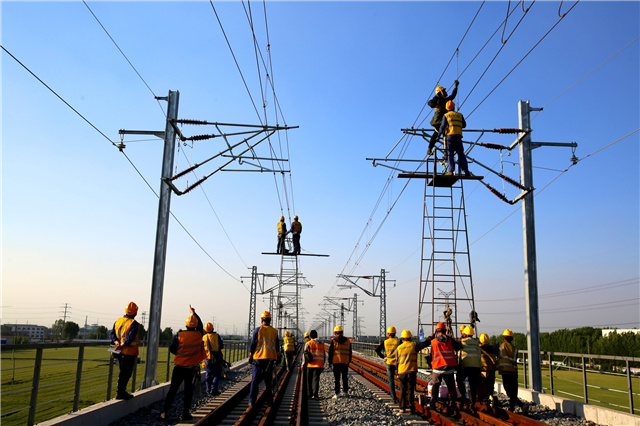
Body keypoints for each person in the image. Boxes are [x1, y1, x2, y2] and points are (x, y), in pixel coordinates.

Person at [160, 305, 206, 421]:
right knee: (188, 392)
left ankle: (164, 412)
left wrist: (181, 356)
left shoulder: (180, 336)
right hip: (191, 369)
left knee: (173, 390)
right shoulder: (199, 335)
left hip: (179, 368)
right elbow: (200, 325)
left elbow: (172, 349)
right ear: (195, 326)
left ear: (186, 325)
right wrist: (194, 313)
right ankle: (185, 413)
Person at [427, 322, 463, 409]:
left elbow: (430, 352)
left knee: (435, 386)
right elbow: (459, 347)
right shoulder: (450, 340)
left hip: (437, 368)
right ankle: (453, 403)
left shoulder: (433, 341)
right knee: (451, 386)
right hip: (449, 367)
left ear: (436, 331)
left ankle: (432, 403)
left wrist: (430, 337)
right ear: (445, 330)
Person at [109, 301, 140, 400]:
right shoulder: (134, 324)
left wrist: (116, 342)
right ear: (135, 313)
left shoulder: (118, 321)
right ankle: (120, 392)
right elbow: (130, 338)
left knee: (123, 372)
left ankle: (120, 391)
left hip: (118, 352)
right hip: (129, 353)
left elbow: (112, 334)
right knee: (126, 373)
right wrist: (121, 345)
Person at [248, 311, 280, 406]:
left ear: (262, 320)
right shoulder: (274, 331)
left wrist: (251, 354)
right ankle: (270, 401)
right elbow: (277, 346)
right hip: (269, 358)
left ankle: (252, 401)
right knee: (268, 381)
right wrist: (276, 356)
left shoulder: (257, 330)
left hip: (258, 358)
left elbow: (253, 344)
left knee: (255, 380)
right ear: (270, 320)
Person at [395, 329, 430, 413]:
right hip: (411, 371)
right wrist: (430, 338)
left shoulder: (399, 348)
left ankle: (402, 408)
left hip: (402, 371)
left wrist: (397, 372)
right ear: (410, 337)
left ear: (403, 338)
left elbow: (396, 361)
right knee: (410, 389)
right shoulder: (414, 345)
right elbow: (424, 344)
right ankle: (411, 408)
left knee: (402, 389)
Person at [497, 329, 529, 414]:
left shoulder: (501, 345)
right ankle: (516, 407)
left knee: (508, 390)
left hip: (505, 371)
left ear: (503, 338)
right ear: (512, 338)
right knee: (513, 391)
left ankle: (518, 406)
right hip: (514, 371)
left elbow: (490, 348)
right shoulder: (515, 349)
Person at [427, 80, 459, 155]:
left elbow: (453, 96)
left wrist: (455, 87)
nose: (445, 92)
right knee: (437, 133)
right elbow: (430, 103)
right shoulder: (436, 99)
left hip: (444, 120)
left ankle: (446, 152)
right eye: (444, 91)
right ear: (440, 93)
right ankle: (430, 149)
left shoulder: (445, 99)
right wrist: (436, 106)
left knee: (445, 134)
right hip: (438, 120)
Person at [439, 100, 470, 176]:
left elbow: (442, 126)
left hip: (450, 137)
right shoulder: (460, 115)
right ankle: (466, 171)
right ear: (454, 107)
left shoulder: (446, 115)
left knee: (450, 154)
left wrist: (438, 135)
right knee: (461, 154)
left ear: (447, 108)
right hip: (458, 137)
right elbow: (464, 125)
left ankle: (451, 171)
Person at [375, 326, 401, 403]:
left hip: (389, 363)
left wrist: (384, 357)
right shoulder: (398, 342)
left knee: (391, 381)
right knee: (401, 380)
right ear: (395, 334)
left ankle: (394, 398)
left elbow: (377, 350)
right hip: (397, 363)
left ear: (389, 334)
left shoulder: (385, 342)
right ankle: (403, 397)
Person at [456, 326, 481, 405]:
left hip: (465, 366)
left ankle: (463, 396)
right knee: (473, 384)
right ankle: (473, 400)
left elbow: (455, 346)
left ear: (465, 334)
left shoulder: (462, 341)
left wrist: (460, 338)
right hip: (476, 367)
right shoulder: (477, 341)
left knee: (459, 379)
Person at [328, 325, 352, 399]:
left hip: (336, 362)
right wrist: (349, 361)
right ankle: (345, 392)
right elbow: (350, 352)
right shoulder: (348, 341)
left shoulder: (334, 341)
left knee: (337, 378)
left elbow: (330, 352)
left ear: (336, 333)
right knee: (345, 377)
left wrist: (330, 362)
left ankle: (337, 393)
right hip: (345, 362)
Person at [203, 321, 224, 396]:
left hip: (207, 358)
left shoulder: (204, 337)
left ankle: (208, 389)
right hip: (216, 358)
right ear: (213, 328)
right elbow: (221, 346)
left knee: (208, 374)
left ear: (205, 330)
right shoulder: (217, 336)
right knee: (217, 374)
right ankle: (214, 389)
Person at [304, 330, 325, 399]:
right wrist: (323, 364)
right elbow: (324, 355)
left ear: (310, 336)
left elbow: (305, 354)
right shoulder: (322, 344)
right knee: (316, 380)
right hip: (319, 364)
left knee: (309, 380)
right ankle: (315, 394)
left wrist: (302, 364)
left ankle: (310, 394)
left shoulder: (309, 343)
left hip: (310, 364)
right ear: (316, 335)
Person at [478, 333, 498, 405]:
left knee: (482, 386)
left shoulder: (480, 349)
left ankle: (484, 399)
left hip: (484, 370)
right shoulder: (492, 348)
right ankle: (490, 399)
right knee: (490, 387)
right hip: (491, 370)